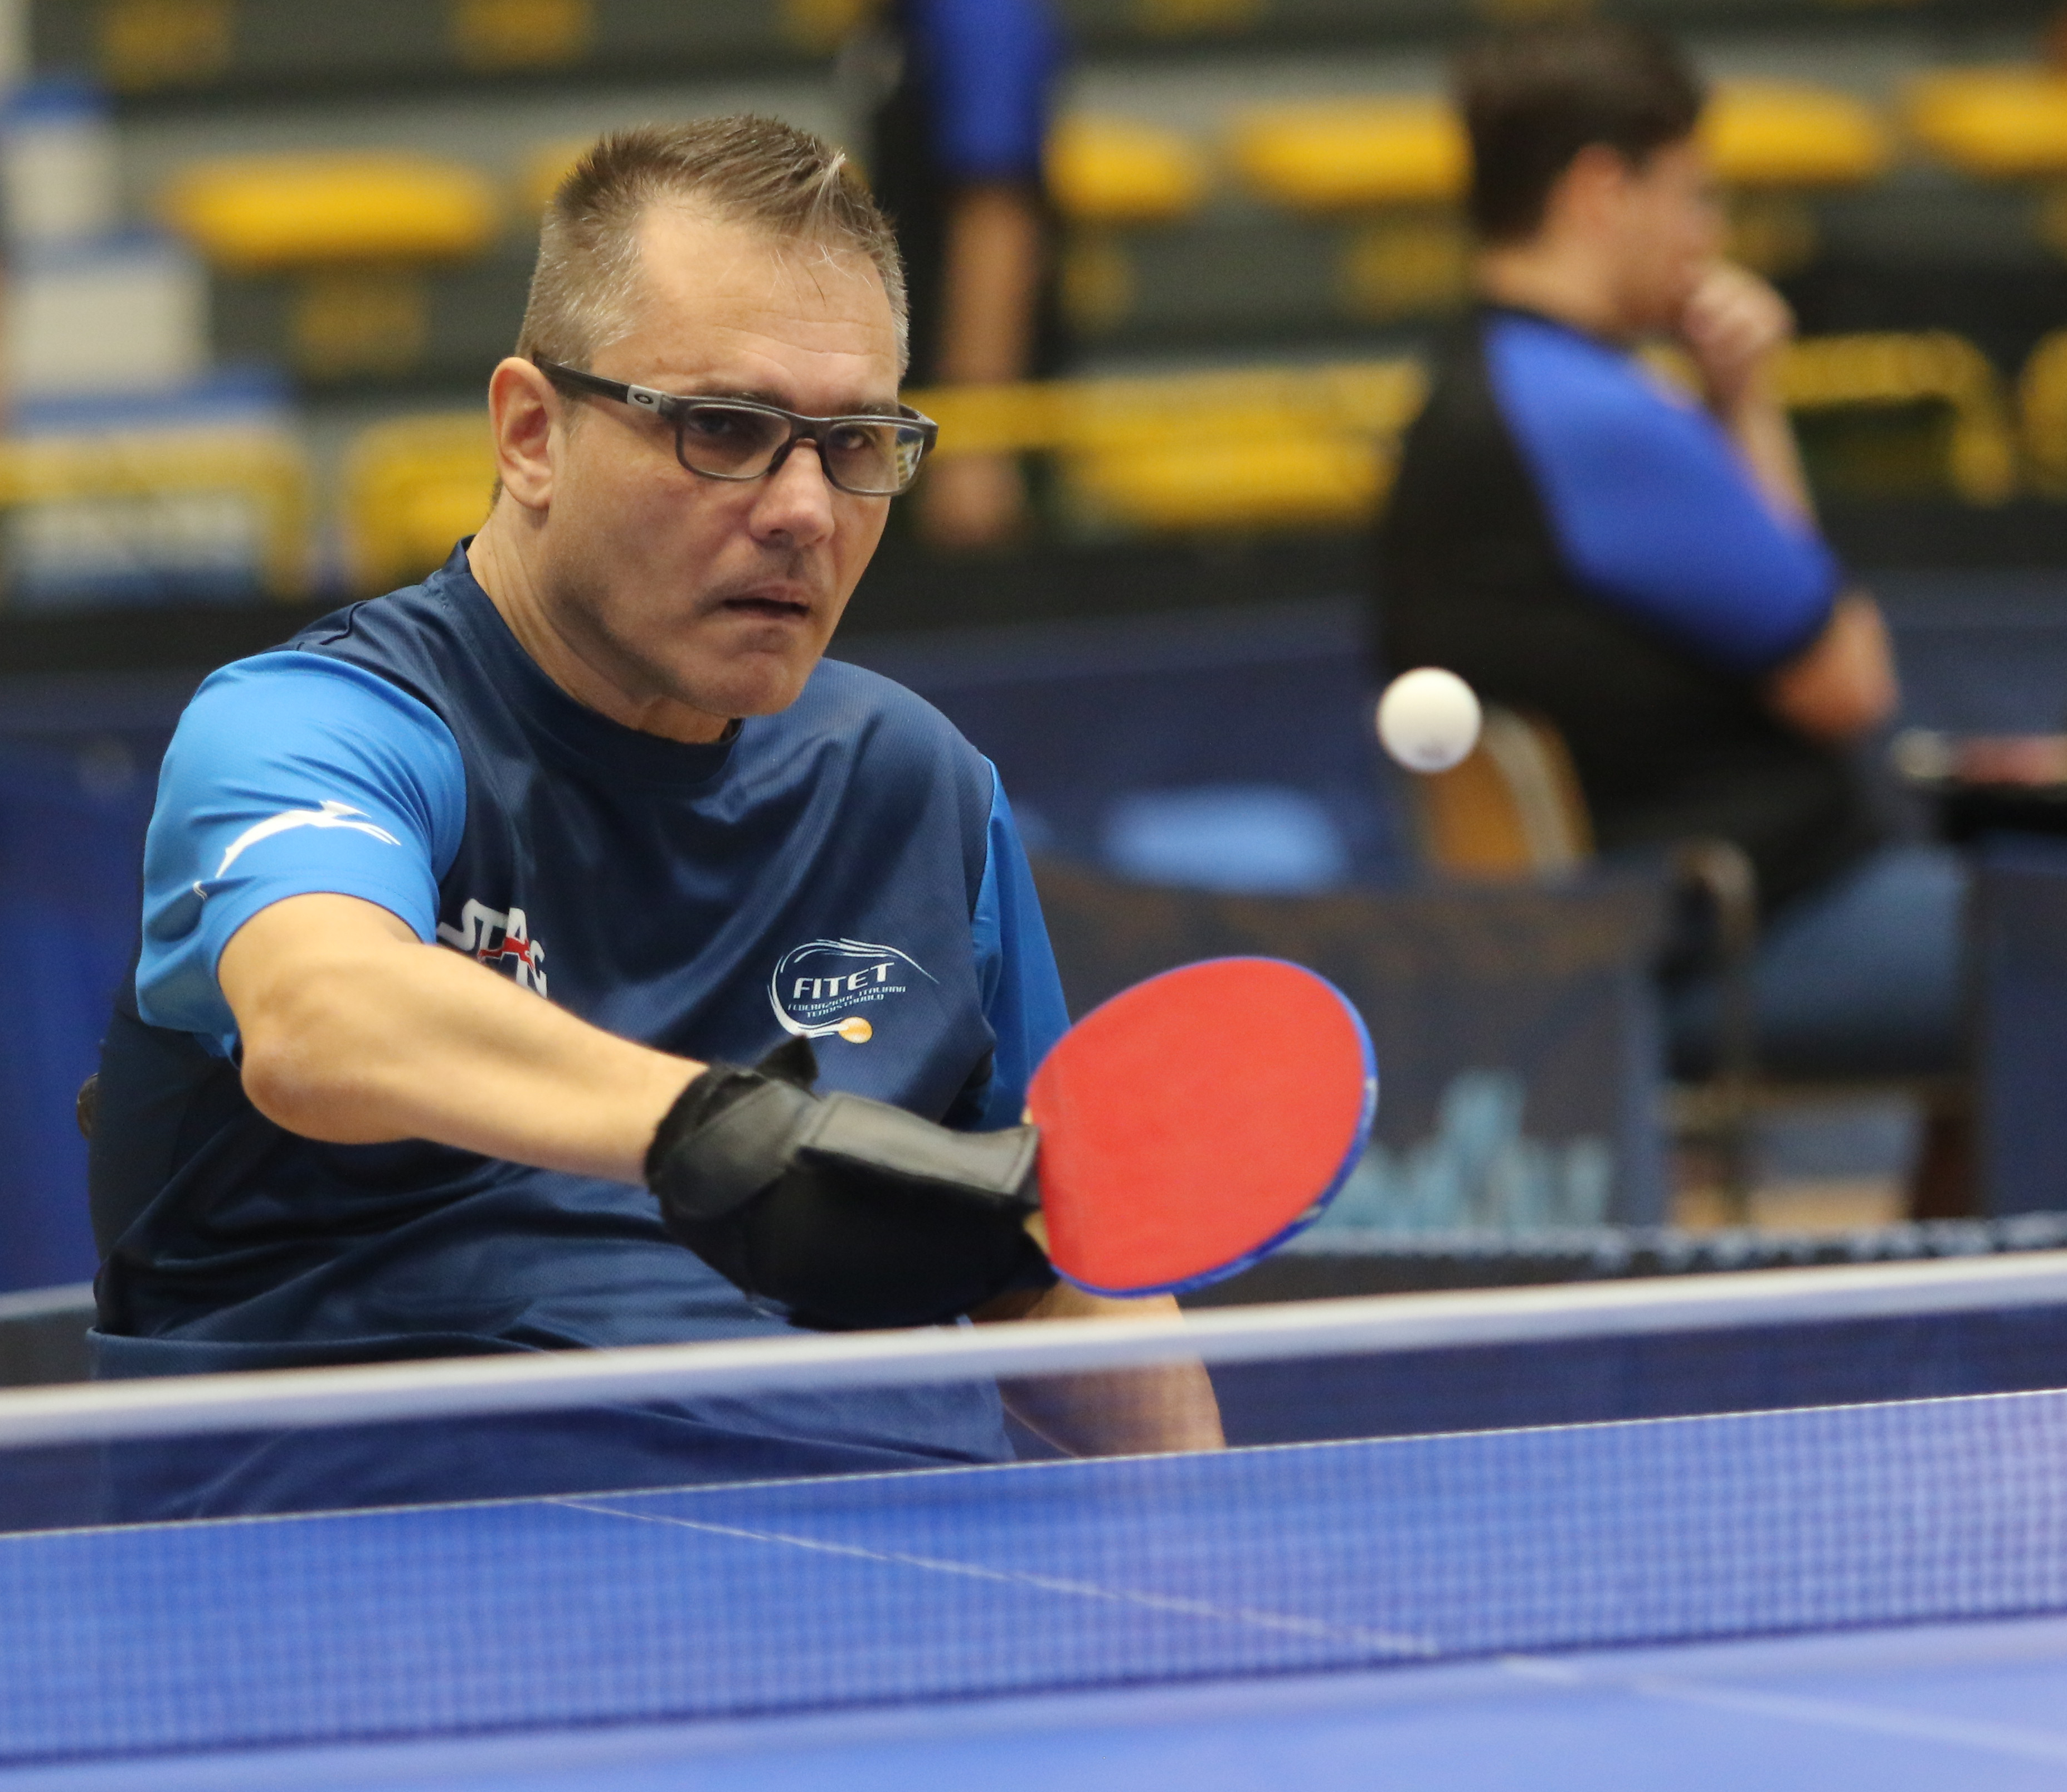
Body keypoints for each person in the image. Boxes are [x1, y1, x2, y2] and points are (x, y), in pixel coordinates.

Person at [87, 116, 1220, 1516]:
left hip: (903, 1578)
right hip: (408, 1576)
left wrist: (1207, 1560)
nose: (805, 509)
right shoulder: (326, 726)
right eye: (726, 430)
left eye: (856, 441)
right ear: (530, 434)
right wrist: (733, 1136)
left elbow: (1048, 1265)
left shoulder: (916, 782)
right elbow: (326, 1017)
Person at [1373, 23, 1969, 1202]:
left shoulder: (1464, 391)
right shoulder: (1598, 419)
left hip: (1633, 935)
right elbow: (1850, 677)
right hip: (1732, 945)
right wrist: (1750, 413)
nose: (1710, 238)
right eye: (1694, 196)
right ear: (1606, 190)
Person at [857, 0, 1067, 550]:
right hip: (911, 406)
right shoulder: (901, 18)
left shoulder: (980, 16)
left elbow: (996, 219)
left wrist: (976, 446)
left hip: (955, 426)